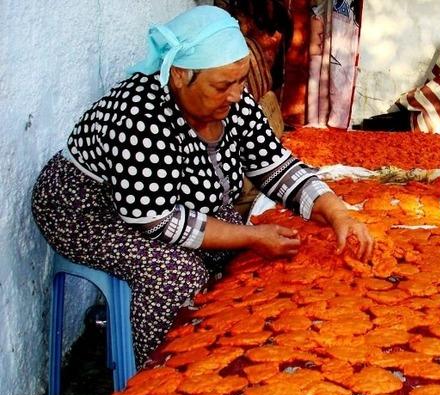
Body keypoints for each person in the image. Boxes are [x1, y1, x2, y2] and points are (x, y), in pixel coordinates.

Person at [31, 6, 374, 366]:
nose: (235, 95)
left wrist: (337, 212)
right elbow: (157, 220)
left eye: (241, 81)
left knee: (254, 254)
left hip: (167, 199)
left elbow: (279, 169)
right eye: (223, 85)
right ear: (179, 76)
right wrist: (251, 236)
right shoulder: (140, 116)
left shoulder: (235, 103)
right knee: (178, 274)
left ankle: (222, 342)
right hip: (88, 210)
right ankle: (160, 373)